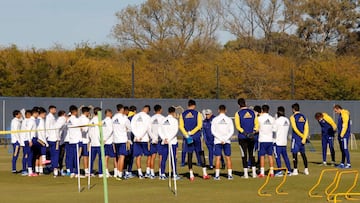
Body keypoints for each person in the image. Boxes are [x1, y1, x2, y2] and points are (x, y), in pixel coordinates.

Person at [179, 99, 210, 181]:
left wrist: (186, 134)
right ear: (194, 106)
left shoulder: (183, 114)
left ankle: (191, 175)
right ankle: (204, 173)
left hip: (188, 138)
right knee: (201, 154)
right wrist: (191, 132)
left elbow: (181, 126)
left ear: (188, 105)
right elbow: (199, 125)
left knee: (189, 155)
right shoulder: (198, 114)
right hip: (196, 137)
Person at [234, 98, 258, 178]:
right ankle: (254, 173)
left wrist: (245, 133)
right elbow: (257, 124)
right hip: (252, 137)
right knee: (252, 154)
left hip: (242, 137)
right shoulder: (253, 112)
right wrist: (253, 132)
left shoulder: (238, 113)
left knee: (244, 154)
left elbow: (238, 126)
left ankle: (246, 174)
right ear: (246, 103)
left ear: (238, 105)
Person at [211, 105, 234, 180]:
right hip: (226, 141)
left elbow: (213, 131)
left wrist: (221, 139)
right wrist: (225, 139)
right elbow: (232, 131)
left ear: (218, 110)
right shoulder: (229, 120)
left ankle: (217, 175)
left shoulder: (215, 119)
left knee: (218, 157)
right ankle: (230, 175)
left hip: (218, 141)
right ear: (225, 110)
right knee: (228, 157)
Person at [158, 107, 180, 180]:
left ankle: (162, 174)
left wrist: (164, 138)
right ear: (174, 112)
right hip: (171, 142)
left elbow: (159, 130)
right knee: (173, 158)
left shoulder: (163, 120)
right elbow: (175, 131)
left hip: (165, 142)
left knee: (164, 158)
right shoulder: (174, 120)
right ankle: (174, 174)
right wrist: (168, 139)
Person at [131, 105, 152, 179]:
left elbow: (132, 127)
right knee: (149, 155)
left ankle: (140, 173)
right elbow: (147, 128)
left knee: (138, 156)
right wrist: (141, 136)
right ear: (147, 110)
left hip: (137, 139)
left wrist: (137, 136)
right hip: (144, 139)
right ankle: (147, 172)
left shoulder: (135, 116)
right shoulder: (148, 117)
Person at [112, 104, 131, 180]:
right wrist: (129, 139)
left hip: (116, 140)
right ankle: (120, 174)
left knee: (119, 157)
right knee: (122, 157)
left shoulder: (113, 118)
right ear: (122, 109)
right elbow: (129, 129)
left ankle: (118, 173)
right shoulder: (124, 118)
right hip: (122, 140)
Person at [290, 103, 309, 175]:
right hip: (302, 139)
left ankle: (295, 170)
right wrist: (304, 138)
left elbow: (295, 128)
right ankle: (306, 169)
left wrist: (301, 136)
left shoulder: (292, 117)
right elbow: (306, 128)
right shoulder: (304, 117)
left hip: (296, 138)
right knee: (303, 154)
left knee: (294, 154)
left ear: (293, 109)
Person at [273, 106, 292, 177]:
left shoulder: (277, 121)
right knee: (285, 157)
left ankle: (279, 171)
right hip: (284, 142)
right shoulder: (287, 120)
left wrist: (275, 120)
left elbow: (274, 130)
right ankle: (289, 170)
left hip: (277, 142)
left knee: (277, 157)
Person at [257, 105, 275, 178]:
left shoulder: (259, 118)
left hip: (262, 140)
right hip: (270, 139)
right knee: (270, 156)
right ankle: (272, 172)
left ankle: (262, 172)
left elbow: (257, 127)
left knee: (262, 156)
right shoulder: (272, 118)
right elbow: (274, 129)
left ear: (262, 110)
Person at [149, 104, 165, 178]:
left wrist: (152, 137)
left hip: (153, 139)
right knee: (161, 156)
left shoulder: (151, 118)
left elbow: (149, 130)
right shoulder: (163, 118)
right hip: (160, 139)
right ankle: (160, 172)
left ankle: (152, 173)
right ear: (160, 110)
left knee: (153, 156)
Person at [67, 105, 82, 178]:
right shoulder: (76, 120)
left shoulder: (68, 119)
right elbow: (82, 128)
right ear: (75, 112)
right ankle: (76, 172)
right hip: (77, 140)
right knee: (77, 156)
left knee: (71, 156)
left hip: (71, 140)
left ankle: (72, 172)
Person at [89, 107, 103, 177]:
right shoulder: (99, 121)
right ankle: (100, 173)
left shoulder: (90, 121)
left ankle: (90, 172)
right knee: (101, 158)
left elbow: (89, 133)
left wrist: (91, 139)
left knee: (91, 159)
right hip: (98, 143)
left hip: (93, 143)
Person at [46, 105, 59, 176]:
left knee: (53, 154)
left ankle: (54, 168)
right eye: (54, 109)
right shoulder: (49, 117)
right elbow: (47, 127)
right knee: (55, 154)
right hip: (52, 138)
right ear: (50, 110)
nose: (55, 111)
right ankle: (54, 168)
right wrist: (48, 136)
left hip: (53, 138)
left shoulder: (53, 117)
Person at [124, 105, 137, 178]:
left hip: (124, 139)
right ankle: (128, 171)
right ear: (134, 111)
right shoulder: (134, 118)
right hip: (131, 140)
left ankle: (124, 171)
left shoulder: (126, 118)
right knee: (131, 156)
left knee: (125, 156)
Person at [79, 107, 90, 176]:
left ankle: (76, 170)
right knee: (85, 156)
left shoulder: (78, 119)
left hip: (79, 140)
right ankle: (86, 171)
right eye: (88, 112)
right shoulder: (86, 119)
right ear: (86, 112)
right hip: (84, 140)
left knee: (79, 156)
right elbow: (85, 130)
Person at [103, 109, 114, 178]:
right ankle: (106, 172)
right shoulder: (110, 121)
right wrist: (105, 139)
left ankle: (106, 171)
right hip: (108, 141)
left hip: (105, 141)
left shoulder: (102, 121)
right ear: (109, 113)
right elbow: (110, 131)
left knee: (106, 157)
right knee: (107, 157)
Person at [56, 110, 68, 176]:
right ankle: (58, 170)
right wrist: (58, 139)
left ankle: (60, 169)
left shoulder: (62, 120)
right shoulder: (61, 120)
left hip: (62, 141)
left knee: (61, 156)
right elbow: (58, 128)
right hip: (59, 141)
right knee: (59, 156)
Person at [20, 110, 32, 176]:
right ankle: (24, 170)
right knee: (26, 155)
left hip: (26, 140)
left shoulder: (27, 121)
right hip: (25, 141)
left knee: (28, 155)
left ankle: (27, 168)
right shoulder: (26, 121)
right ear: (27, 115)